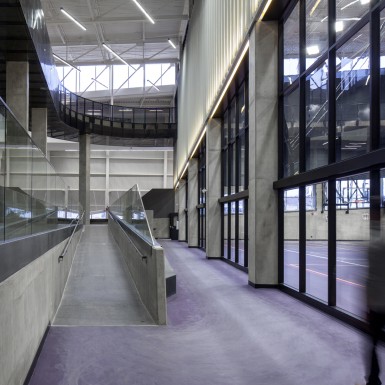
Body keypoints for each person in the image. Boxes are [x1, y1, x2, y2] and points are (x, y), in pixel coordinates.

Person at [365, 228, 385, 385]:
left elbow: (370, 277)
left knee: (372, 342)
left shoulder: (373, 246)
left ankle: (373, 378)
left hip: (377, 301)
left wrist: (368, 303)